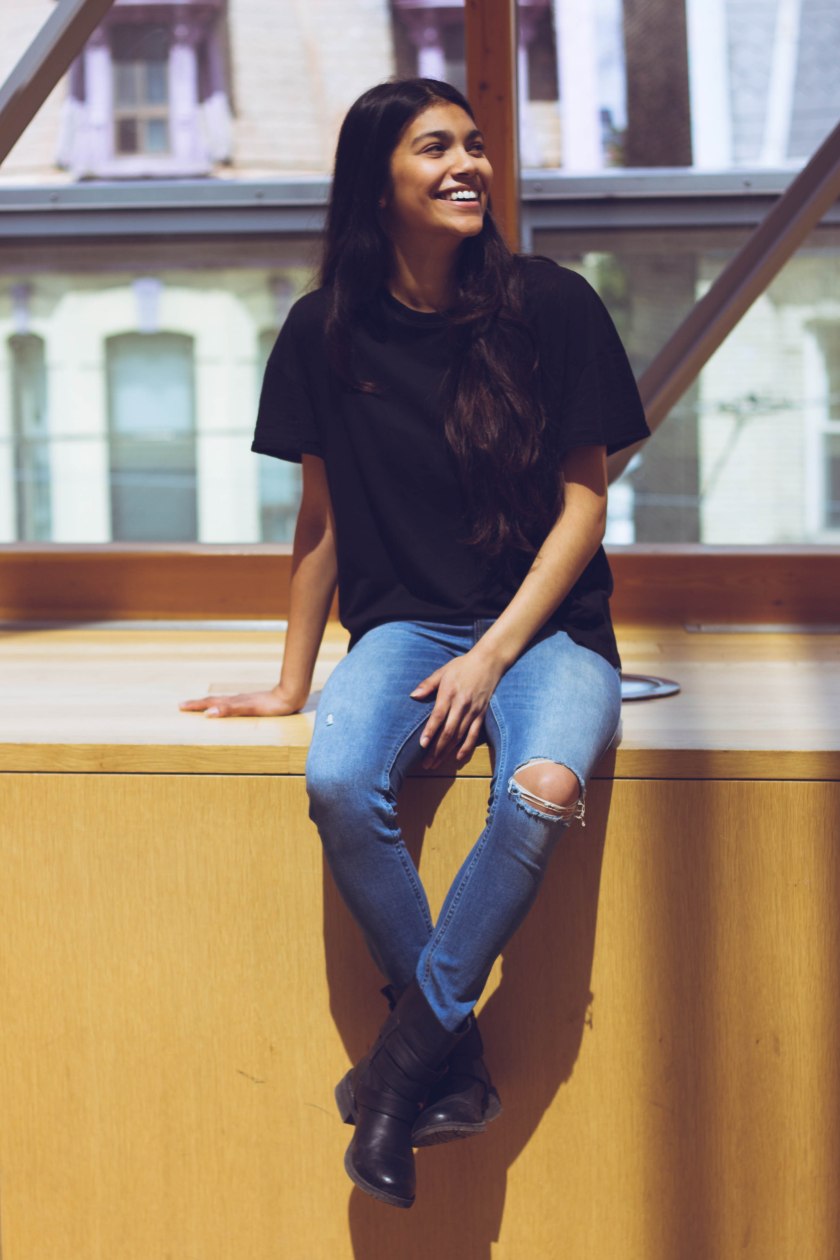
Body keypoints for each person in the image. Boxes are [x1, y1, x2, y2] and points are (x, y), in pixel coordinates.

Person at [181, 77, 649, 1209]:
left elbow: (585, 505)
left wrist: (492, 654)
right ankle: (452, 1056)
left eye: (477, 146)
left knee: (537, 787)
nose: (470, 165)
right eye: (437, 146)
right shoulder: (323, 331)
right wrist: (292, 681)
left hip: (548, 629)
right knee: (340, 778)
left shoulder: (552, 304)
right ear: (375, 181)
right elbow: (322, 522)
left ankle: (396, 1077)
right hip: (403, 628)